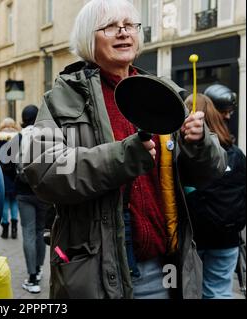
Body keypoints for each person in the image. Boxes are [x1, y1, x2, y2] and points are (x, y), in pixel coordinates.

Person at [22, 0, 227, 299]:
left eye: (130, 25)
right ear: (87, 38)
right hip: (95, 270)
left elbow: (212, 171)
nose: (123, 33)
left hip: (164, 269)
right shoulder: (62, 98)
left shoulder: (164, 92)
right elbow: (45, 172)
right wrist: (124, 157)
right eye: (110, 27)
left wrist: (200, 144)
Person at [184, 94, 246, 299]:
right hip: (227, 237)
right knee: (219, 292)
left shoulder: (183, 157)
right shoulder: (236, 153)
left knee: (188, 291)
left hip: (194, 238)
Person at [15, 105, 53, 294]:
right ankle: (38, 271)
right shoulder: (46, 136)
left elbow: (9, 164)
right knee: (40, 232)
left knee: (28, 233)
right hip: (44, 192)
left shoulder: (19, 137)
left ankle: (31, 279)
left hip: (24, 192)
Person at [0, 117, 20, 239]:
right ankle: (15, 226)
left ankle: (5, 227)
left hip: (2, 174)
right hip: (15, 175)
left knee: (4, 202)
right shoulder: (19, 137)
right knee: (14, 201)